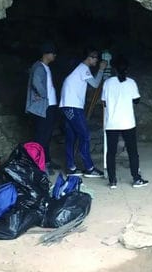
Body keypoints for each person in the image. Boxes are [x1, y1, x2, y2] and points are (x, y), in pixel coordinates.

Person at [59, 48, 107, 177]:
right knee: (84, 135)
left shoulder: (79, 69)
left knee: (71, 137)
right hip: (73, 106)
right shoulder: (83, 69)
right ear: (89, 58)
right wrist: (102, 69)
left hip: (68, 106)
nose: (97, 61)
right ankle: (89, 168)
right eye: (95, 58)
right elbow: (96, 84)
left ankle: (71, 167)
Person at [101, 57, 148, 189]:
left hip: (112, 123)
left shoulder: (108, 83)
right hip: (128, 122)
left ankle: (112, 181)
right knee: (132, 151)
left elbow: (104, 102)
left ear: (114, 69)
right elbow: (137, 100)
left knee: (111, 152)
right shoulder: (131, 83)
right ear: (127, 69)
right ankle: (136, 178)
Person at [25, 42, 60, 173]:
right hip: (43, 107)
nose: (55, 55)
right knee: (41, 136)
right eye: (53, 53)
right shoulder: (39, 67)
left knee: (47, 135)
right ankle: (40, 165)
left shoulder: (45, 67)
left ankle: (47, 161)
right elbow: (36, 82)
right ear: (46, 54)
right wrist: (44, 95)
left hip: (49, 106)